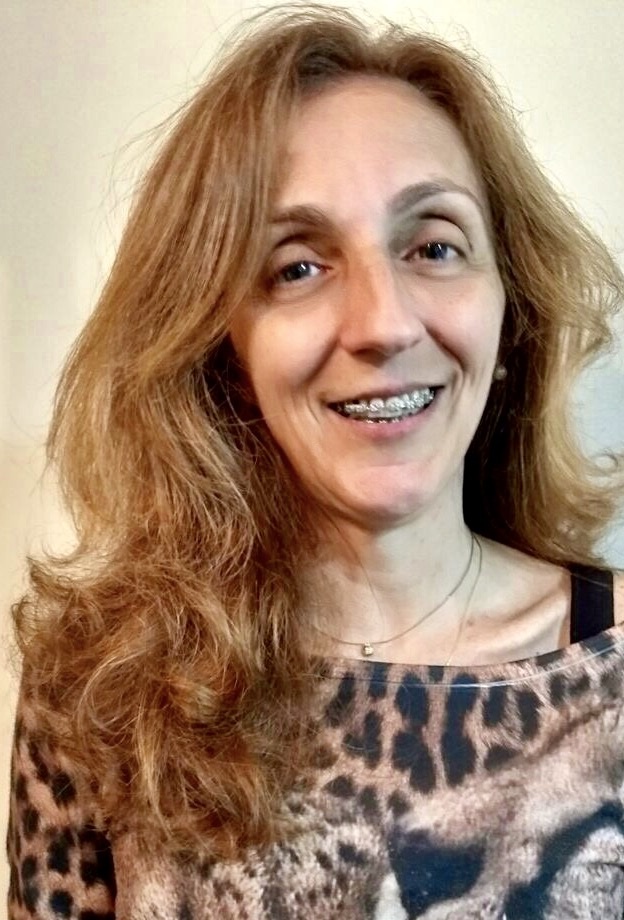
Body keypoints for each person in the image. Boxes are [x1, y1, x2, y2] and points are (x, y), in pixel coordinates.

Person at [6, 5, 624, 919]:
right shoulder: (100, 693)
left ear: (510, 314)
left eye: (434, 246)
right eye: (297, 266)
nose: (384, 323)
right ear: (226, 350)